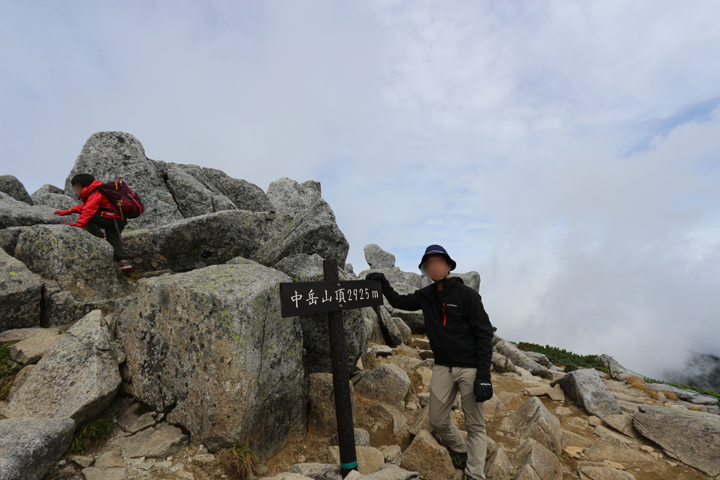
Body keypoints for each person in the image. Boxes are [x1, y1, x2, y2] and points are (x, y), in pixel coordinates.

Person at [366, 244, 494, 480]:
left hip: (471, 368)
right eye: (429, 265)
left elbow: (484, 334)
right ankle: (461, 449)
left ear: (448, 266)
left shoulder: (467, 295)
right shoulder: (426, 296)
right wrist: (383, 284)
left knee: (475, 425)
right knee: (436, 419)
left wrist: (484, 375)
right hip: (443, 366)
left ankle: (475, 474)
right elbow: (399, 301)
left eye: (438, 263)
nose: (433, 267)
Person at [54, 173, 133, 271]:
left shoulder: (95, 193)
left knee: (89, 219)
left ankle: (100, 240)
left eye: (75, 187)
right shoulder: (98, 191)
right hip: (119, 219)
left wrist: (80, 224)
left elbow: (88, 209)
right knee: (113, 239)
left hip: (111, 219)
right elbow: (87, 206)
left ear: (80, 185)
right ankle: (123, 262)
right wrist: (69, 211)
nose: (75, 190)